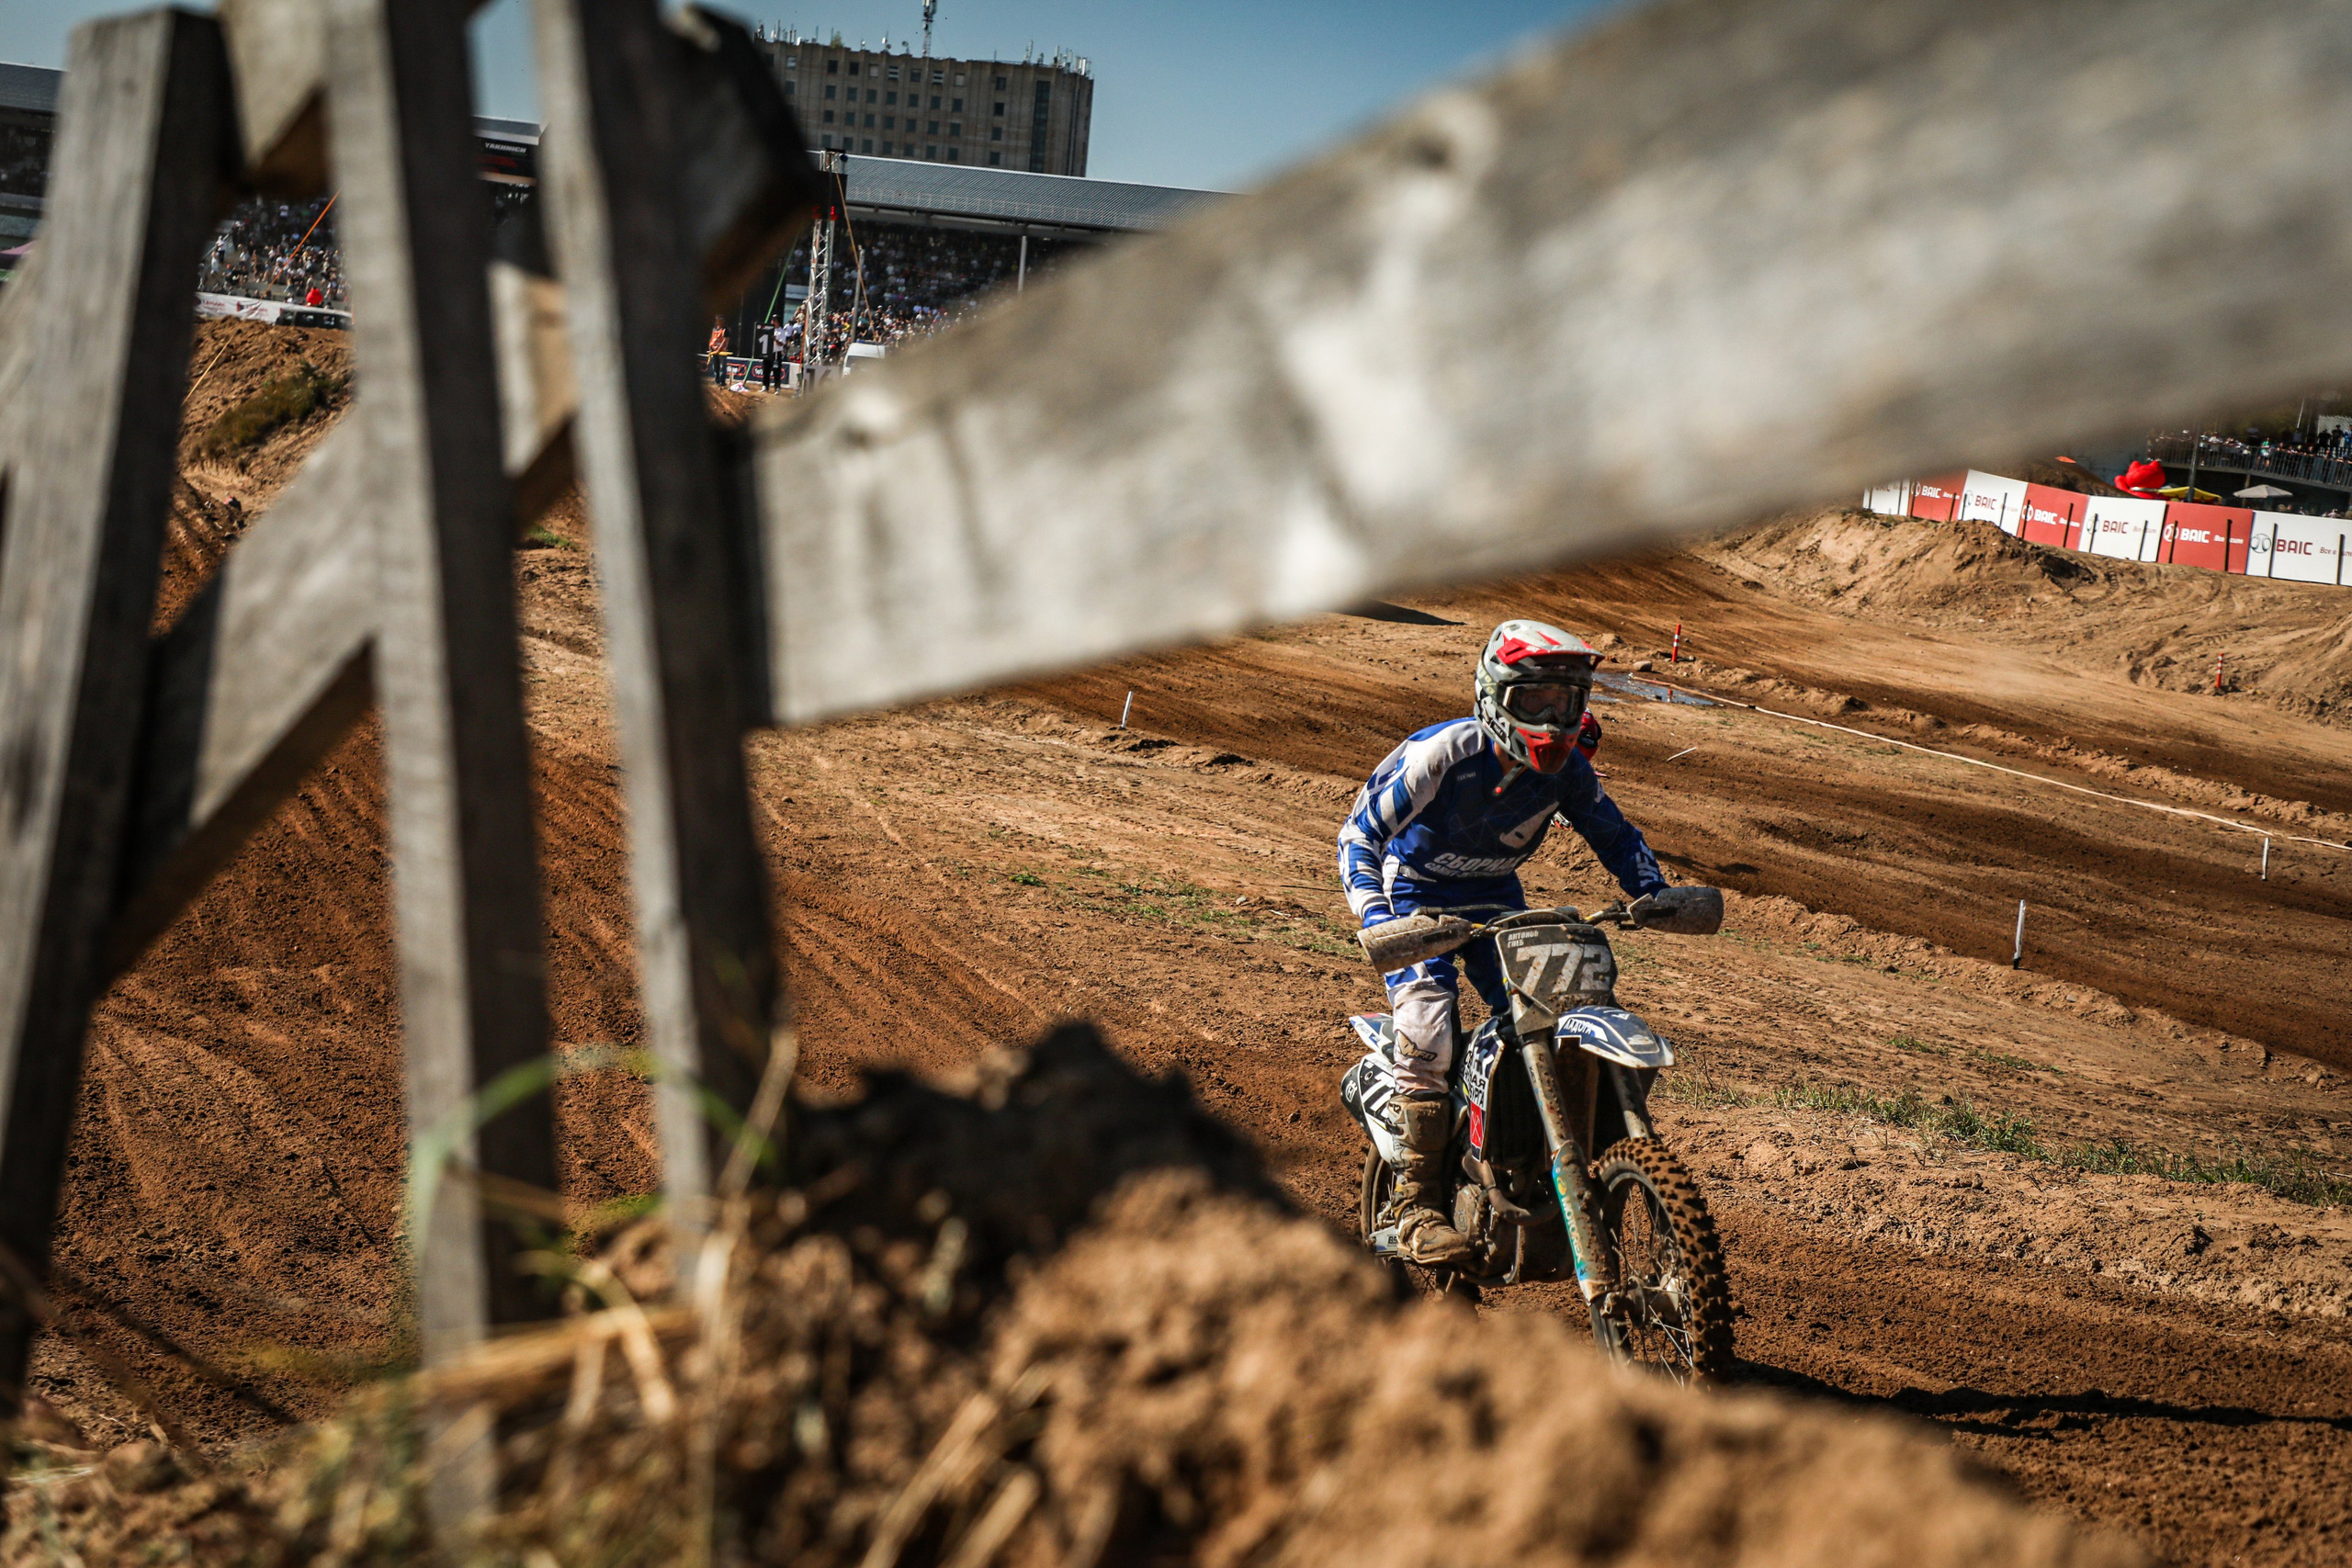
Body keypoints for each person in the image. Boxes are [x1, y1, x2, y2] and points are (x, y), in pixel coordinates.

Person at [1337, 619, 1670, 1265]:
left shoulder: (1568, 770)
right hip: (1416, 900)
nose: (1553, 718)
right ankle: (1416, 1205)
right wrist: (1378, 917)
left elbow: (1613, 831)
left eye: (1566, 701)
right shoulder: (1444, 753)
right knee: (1429, 1029)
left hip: (1496, 899)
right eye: (1535, 701)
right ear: (1496, 696)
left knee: (1549, 1015)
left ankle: (1524, 1153)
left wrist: (1651, 891)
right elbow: (1359, 834)